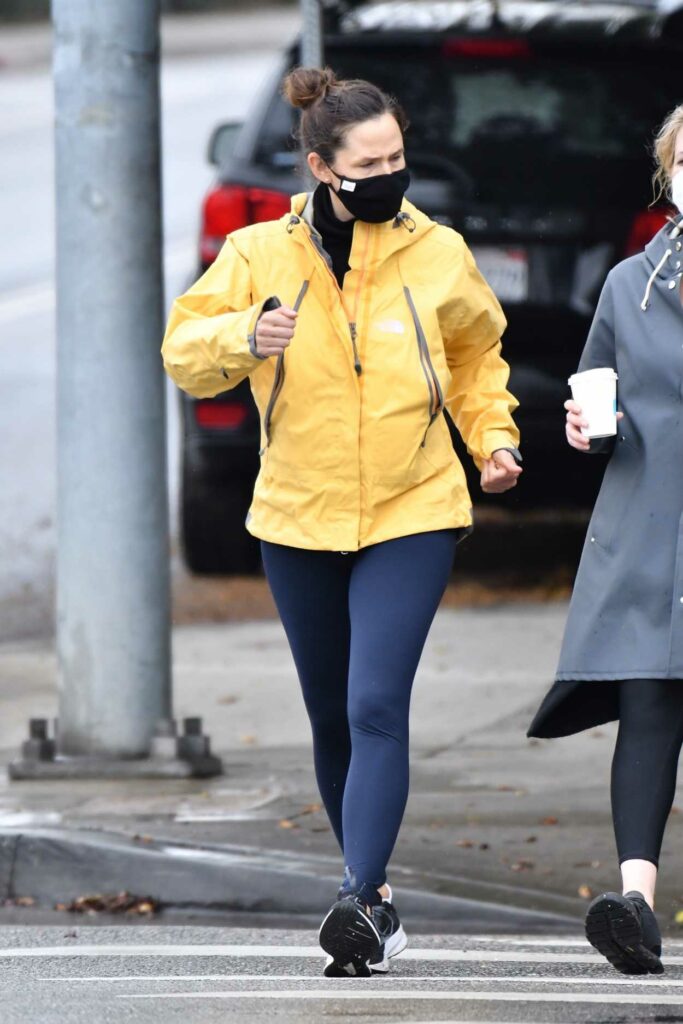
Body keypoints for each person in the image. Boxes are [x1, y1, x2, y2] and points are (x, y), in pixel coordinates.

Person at [162, 66, 521, 977]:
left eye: (398, 155)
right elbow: (182, 352)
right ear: (323, 167)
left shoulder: (435, 250)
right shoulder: (256, 254)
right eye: (370, 161)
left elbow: (479, 357)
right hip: (296, 513)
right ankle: (379, 903)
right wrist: (245, 336)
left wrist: (493, 441)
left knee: (373, 705)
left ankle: (356, 896)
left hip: (413, 506)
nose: (389, 172)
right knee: (330, 715)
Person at [528, 105, 683, 976]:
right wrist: (586, 429)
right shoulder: (632, 281)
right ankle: (635, 906)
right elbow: (597, 397)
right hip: (649, 529)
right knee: (650, 710)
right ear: (667, 173)